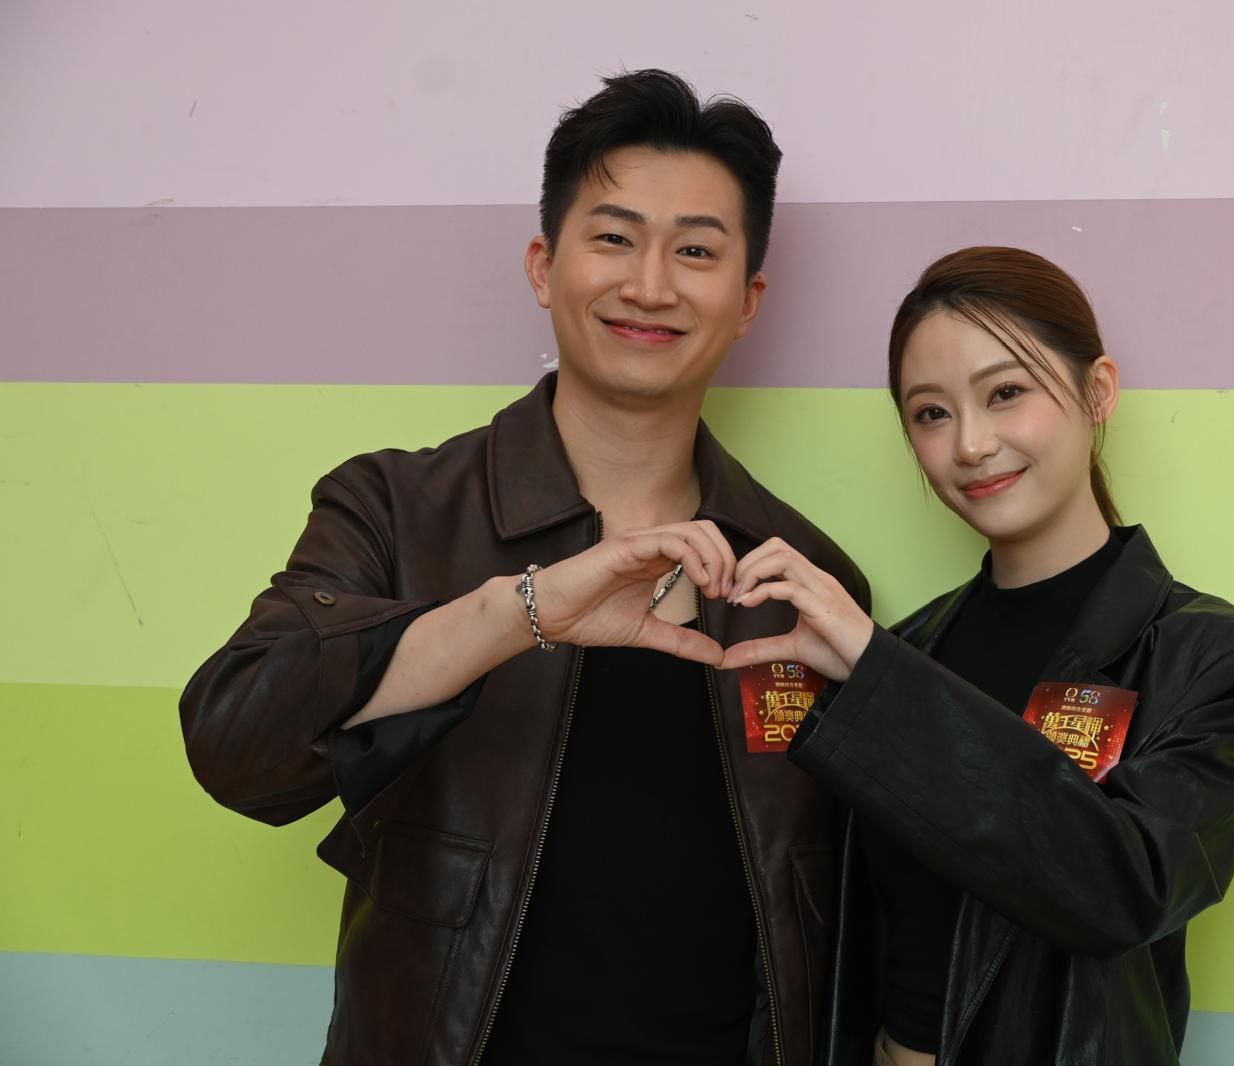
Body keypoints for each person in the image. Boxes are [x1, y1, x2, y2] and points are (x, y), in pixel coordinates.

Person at [179, 70, 869, 1066]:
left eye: (696, 251)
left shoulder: (803, 578)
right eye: (614, 238)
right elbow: (235, 745)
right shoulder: (396, 509)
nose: (651, 285)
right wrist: (520, 612)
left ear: (747, 301)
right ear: (544, 267)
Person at [717, 246, 1234, 1065]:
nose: (970, 444)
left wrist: (877, 674)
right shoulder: (907, 648)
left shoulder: (1222, 664)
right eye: (931, 413)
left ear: (1098, 391)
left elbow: (1119, 891)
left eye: (1005, 393)